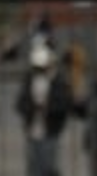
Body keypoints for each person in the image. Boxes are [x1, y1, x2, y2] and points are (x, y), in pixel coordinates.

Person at [16, 37, 74, 176]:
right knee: (33, 167)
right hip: (32, 131)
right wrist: (33, 107)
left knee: (48, 167)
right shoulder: (30, 78)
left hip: (51, 131)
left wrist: (48, 107)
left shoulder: (59, 80)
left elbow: (65, 103)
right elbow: (20, 103)